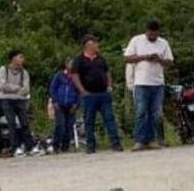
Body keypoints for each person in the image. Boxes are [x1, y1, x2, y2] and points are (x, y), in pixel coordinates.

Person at [124, 20, 173, 151]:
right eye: (150, 34)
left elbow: (169, 62)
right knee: (141, 112)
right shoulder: (136, 41)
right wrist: (144, 57)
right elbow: (127, 59)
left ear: (158, 32)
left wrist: (159, 60)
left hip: (157, 83)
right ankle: (140, 140)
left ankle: (151, 140)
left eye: (155, 34)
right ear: (146, 31)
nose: (153, 36)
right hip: (141, 82)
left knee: (155, 113)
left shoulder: (163, 43)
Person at [72, 35, 122, 153]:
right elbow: (75, 76)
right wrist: (82, 90)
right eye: (95, 44)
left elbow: (107, 72)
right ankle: (91, 146)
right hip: (89, 94)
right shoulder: (79, 60)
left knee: (110, 119)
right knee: (89, 121)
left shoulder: (101, 58)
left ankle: (115, 144)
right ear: (88, 45)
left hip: (103, 94)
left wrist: (109, 86)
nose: (97, 46)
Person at [0, 49, 41, 156]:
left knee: (25, 123)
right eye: (20, 57)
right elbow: (2, 85)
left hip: (20, 100)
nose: (22, 60)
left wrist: (14, 89)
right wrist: (17, 88)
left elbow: (26, 89)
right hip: (6, 100)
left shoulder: (24, 72)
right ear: (14, 58)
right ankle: (15, 147)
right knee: (11, 123)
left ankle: (30, 147)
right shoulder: (4, 69)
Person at [48, 59, 80, 153]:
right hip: (60, 104)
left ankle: (65, 147)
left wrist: (76, 104)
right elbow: (53, 88)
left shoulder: (76, 77)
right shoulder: (59, 75)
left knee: (69, 126)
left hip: (71, 104)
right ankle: (56, 145)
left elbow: (79, 91)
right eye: (70, 64)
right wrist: (55, 101)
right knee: (60, 125)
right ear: (66, 65)